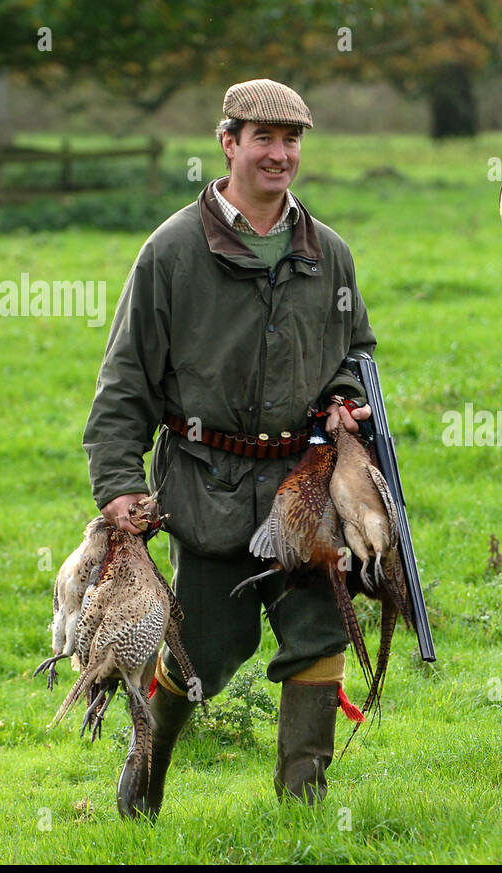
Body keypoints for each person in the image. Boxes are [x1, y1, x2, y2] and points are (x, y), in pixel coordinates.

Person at [83, 78, 376, 819]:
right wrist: (118, 479)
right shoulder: (174, 250)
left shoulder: (327, 253)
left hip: (303, 484)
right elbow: (126, 378)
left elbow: (355, 350)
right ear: (229, 142)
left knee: (318, 631)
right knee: (206, 654)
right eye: (264, 139)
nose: (280, 155)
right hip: (206, 486)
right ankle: (145, 767)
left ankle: (303, 807)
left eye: (292, 140)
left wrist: (345, 396)